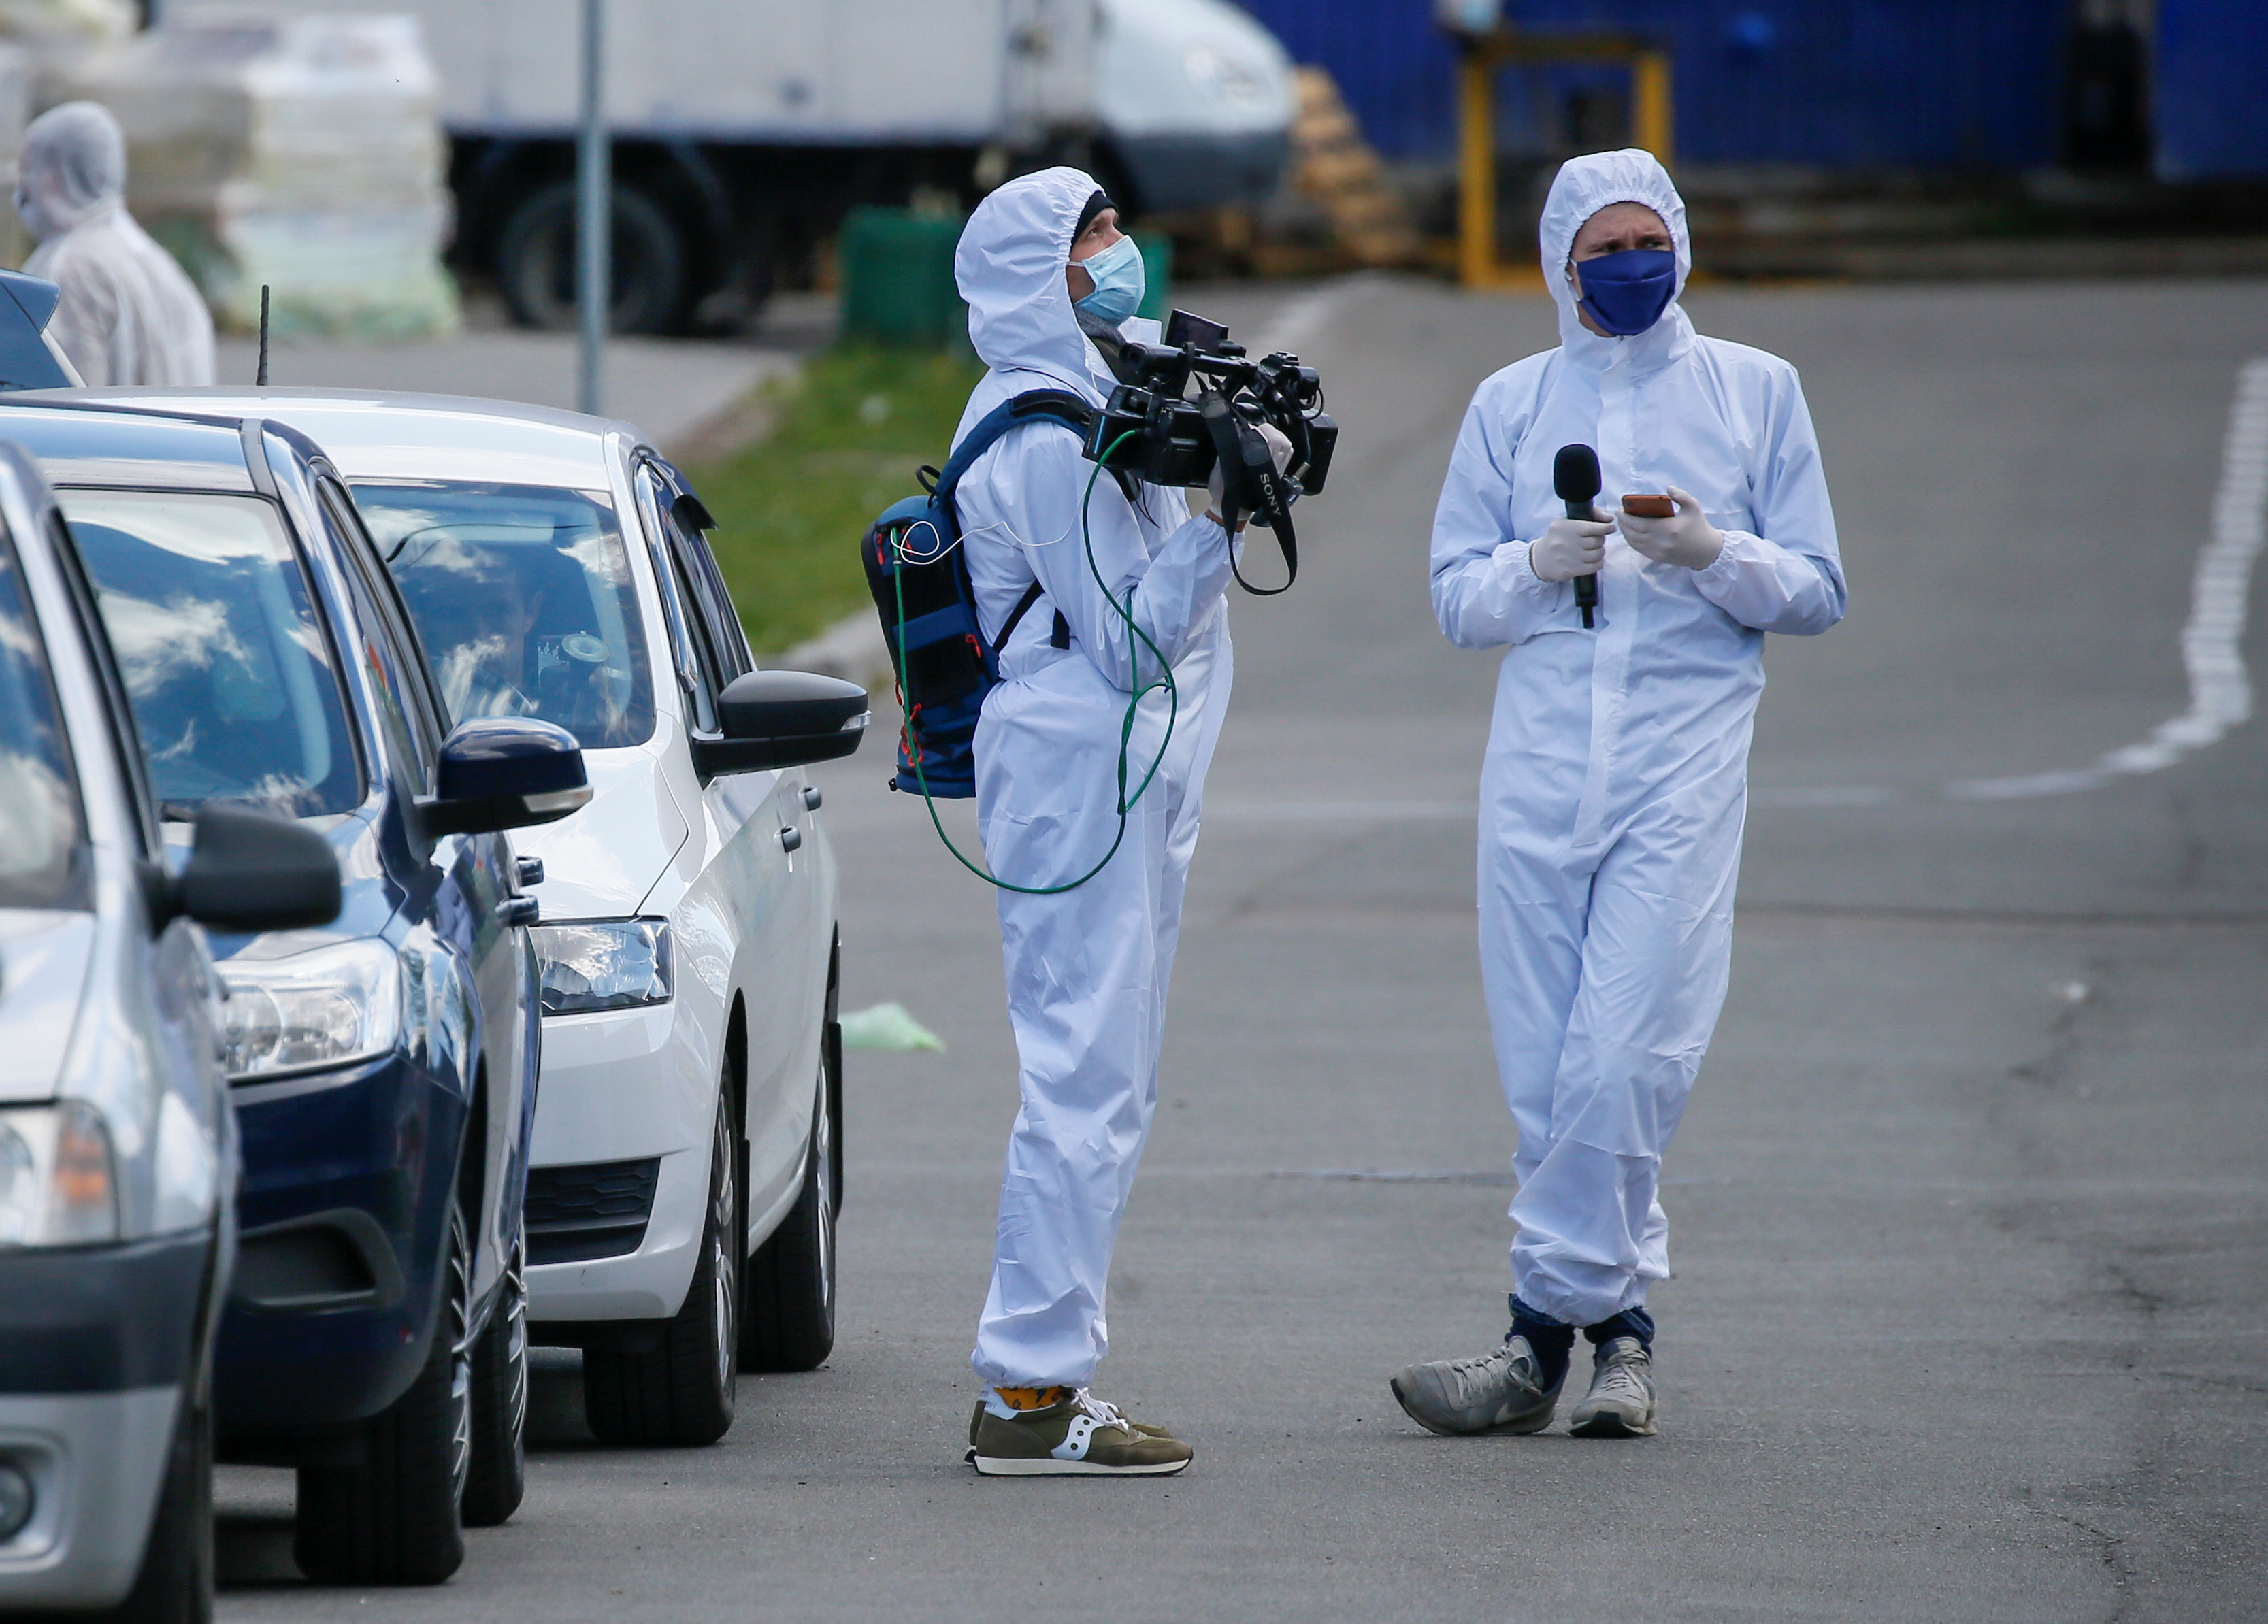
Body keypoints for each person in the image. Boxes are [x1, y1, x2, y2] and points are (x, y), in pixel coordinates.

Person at [1391, 150, 1845, 1440]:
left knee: (1623, 1057)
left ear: (1684, 243)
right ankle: (1613, 1348)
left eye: (1650, 238)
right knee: (1543, 1074)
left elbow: (1814, 587)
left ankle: (1538, 1337)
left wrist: (1712, 550)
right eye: (1603, 248)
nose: (1630, 264)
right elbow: (1452, 599)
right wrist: (1535, 565)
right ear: (1559, 265)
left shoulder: (1757, 393)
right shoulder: (1509, 403)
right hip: (1538, 768)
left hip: (1680, 765)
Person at [949, 167, 1285, 1476]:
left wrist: (1235, 432)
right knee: (1081, 1075)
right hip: (1073, 763)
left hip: (1101, 766)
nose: (1117, 249)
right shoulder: (1040, 432)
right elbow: (1131, 641)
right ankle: (1028, 1395)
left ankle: (1042, 1380)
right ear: (1036, 270)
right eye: (1090, 234)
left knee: (1108, 1075)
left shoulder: (1086, 392)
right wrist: (1218, 524)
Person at [16, 100, 215, 387]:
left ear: (55, 173)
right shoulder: (152, 258)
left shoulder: (72, 268)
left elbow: (59, 402)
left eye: (28, 169)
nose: (23, 186)